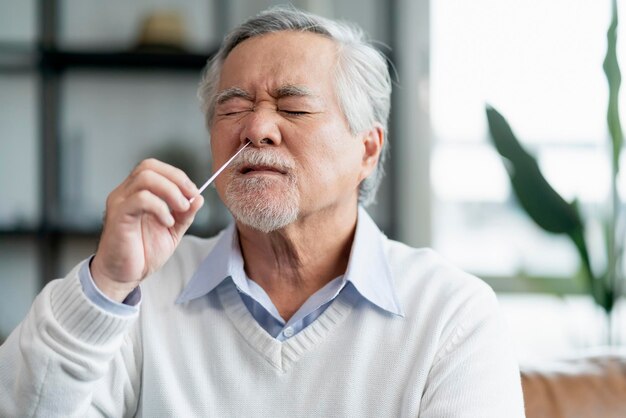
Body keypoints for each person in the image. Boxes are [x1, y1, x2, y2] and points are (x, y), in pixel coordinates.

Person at [0, 6, 525, 417]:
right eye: (233, 108)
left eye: (293, 107)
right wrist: (107, 284)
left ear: (367, 149)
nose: (256, 129)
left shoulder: (452, 315)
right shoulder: (140, 296)